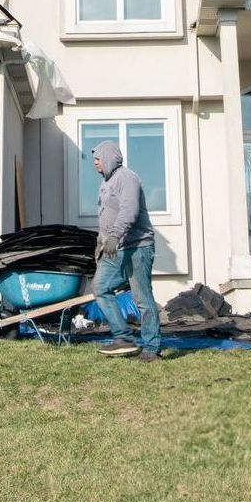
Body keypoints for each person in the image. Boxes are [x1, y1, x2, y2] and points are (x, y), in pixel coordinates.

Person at [90, 139, 162, 362]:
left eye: (98, 158)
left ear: (110, 158)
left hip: (138, 247)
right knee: (100, 287)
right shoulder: (106, 183)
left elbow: (128, 211)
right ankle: (123, 337)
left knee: (142, 298)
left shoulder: (127, 178)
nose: (95, 163)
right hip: (116, 248)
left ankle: (152, 348)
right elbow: (106, 216)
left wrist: (113, 237)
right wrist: (101, 243)